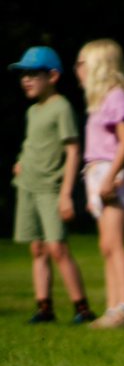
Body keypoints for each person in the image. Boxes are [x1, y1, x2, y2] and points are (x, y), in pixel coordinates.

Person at [9, 46, 96, 325]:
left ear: (53, 76)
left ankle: (82, 308)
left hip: (51, 188)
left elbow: (72, 150)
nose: (26, 80)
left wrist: (67, 194)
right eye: (23, 74)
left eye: (33, 74)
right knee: (37, 249)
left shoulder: (61, 107)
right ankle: (44, 307)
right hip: (28, 186)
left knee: (58, 248)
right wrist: (21, 161)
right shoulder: (32, 111)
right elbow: (30, 143)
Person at [76, 39, 124, 329]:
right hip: (103, 172)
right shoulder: (99, 101)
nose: (76, 69)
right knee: (106, 243)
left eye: (81, 63)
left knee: (114, 241)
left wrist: (109, 177)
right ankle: (112, 306)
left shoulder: (116, 97)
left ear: (98, 66)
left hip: (118, 172)